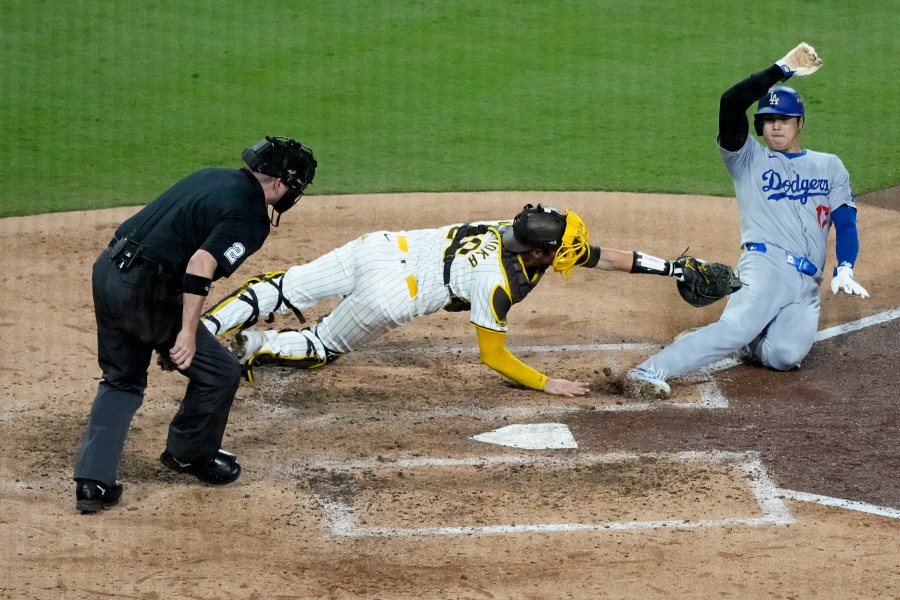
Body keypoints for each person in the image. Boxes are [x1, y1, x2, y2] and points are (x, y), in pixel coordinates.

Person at [202, 204, 700, 396]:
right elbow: (493, 355)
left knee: (282, 286)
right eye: (562, 250)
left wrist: (671, 269)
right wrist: (548, 384)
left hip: (378, 247)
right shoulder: (497, 284)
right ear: (543, 251)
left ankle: (204, 328)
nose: (571, 255)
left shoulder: (512, 230)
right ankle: (255, 346)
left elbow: (603, 257)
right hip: (393, 294)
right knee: (321, 345)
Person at [73, 136, 317, 514]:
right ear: (279, 183)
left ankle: (92, 483)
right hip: (147, 292)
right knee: (220, 371)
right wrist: (186, 332)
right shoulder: (251, 215)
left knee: (121, 380)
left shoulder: (211, 176)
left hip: (109, 270)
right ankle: (189, 454)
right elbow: (200, 264)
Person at [627, 42, 869, 398]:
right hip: (765, 265)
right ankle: (648, 370)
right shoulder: (747, 158)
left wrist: (845, 267)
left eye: (783, 119)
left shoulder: (829, 165)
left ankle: (748, 338)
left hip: (807, 284)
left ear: (800, 122)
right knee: (734, 329)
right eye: (768, 120)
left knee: (785, 356)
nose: (775, 127)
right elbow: (730, 102)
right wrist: (781, 68)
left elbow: (845, 222)